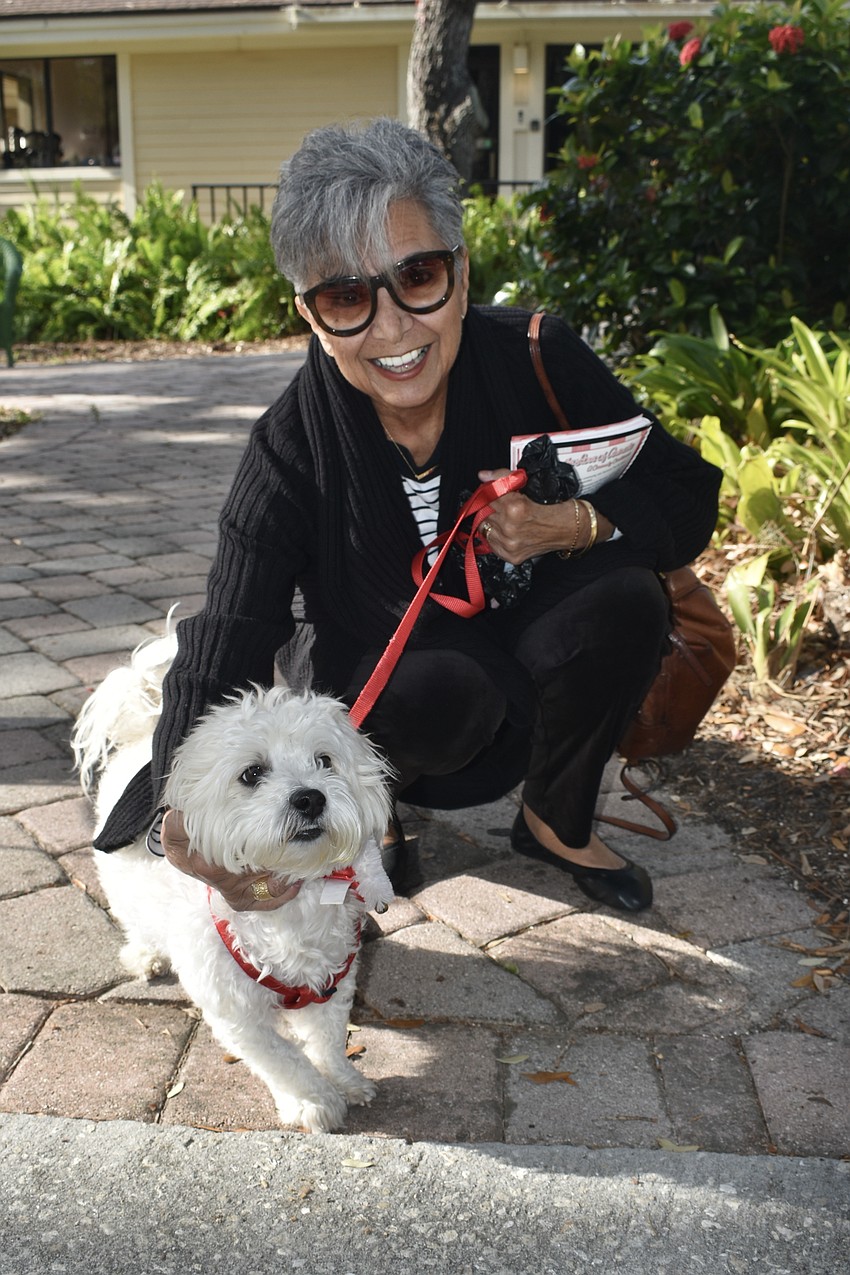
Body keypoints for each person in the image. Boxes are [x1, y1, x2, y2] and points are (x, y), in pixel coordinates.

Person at [94, 117, 721, 915]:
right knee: (434, 690)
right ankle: (372, 814)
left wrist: (576, 524)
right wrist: (183, 807)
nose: (391, 329)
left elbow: (689, 492)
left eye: (417, 276)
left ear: (460, 275)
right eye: (347, 296)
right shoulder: (291, 445)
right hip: (410, 690)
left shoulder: (537, 354)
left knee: (628, 596)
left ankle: (555, 817)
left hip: (538, 633)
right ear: (312, 318)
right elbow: (234, 626)